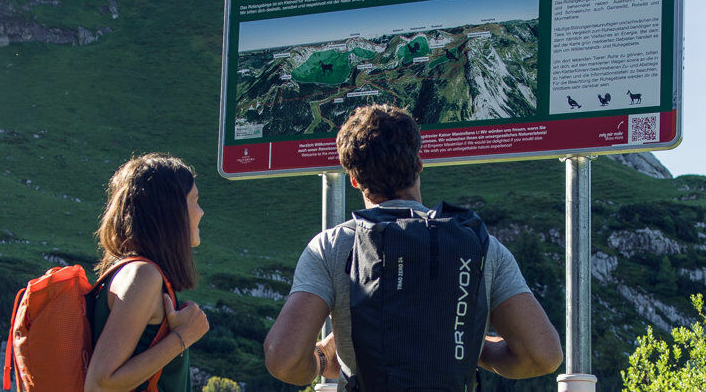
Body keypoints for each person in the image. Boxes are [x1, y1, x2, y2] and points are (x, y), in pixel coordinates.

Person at [263, 104, 563, 388]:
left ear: (354, 179)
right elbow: (543, 356)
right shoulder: (480, 245)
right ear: (419, 163)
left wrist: (318, 360)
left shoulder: (332, 247)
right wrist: (461, 340)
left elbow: (284, 359)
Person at [85, 154, 211, 392]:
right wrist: (184, 336)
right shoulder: (143, 275)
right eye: (194, 200)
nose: (201, 212)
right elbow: (101, 384)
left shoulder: (132, 271)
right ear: (170, 209)